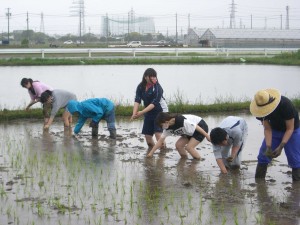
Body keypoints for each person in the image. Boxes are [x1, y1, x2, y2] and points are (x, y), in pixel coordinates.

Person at [250, 88, 300, 181]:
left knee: (295, 158)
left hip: (292, 131)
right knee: (263, 155)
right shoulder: (260, 111)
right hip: (274, 130)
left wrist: (281, 146)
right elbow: (267, 129)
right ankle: (260, 186)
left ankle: (296, 188)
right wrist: (269, 146)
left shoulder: (285, 105)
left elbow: (290, 129)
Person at [131, 68, 168, 149]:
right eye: (151, 76)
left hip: (161, 111)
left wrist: (141, 112)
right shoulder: (141, 86)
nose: (153, 78)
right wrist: (134, 113)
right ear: (145, 77)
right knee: (148, 138)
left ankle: (163, 154)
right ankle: (152, 152)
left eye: (154, 76)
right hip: (149, 111)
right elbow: (137, 100)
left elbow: (154, 103)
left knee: (158, 135)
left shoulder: (158, 87)